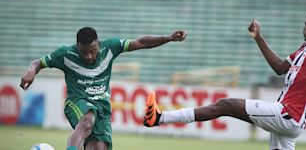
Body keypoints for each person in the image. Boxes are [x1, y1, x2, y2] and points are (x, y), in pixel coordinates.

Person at [142, 8, 306, 150]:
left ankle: (160, 118)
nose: (304, 28)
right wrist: (259, 38)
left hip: (289, 114)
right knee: (226, 106)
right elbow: (278, 67)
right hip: (291, 120)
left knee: (225, 105)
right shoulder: (305, 48)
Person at [20, 27, 187, 150]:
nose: (88, 56)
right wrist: (30, 72)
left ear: (98, 44)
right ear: (77, 46)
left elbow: (141, 42)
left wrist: (168, 38)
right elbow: (38, 63)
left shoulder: (111, 47)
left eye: (92, 51)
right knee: (87, 120)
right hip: (78, 101)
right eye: (83, 52)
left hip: (103, 108)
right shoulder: (65, 54)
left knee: (99, 147)